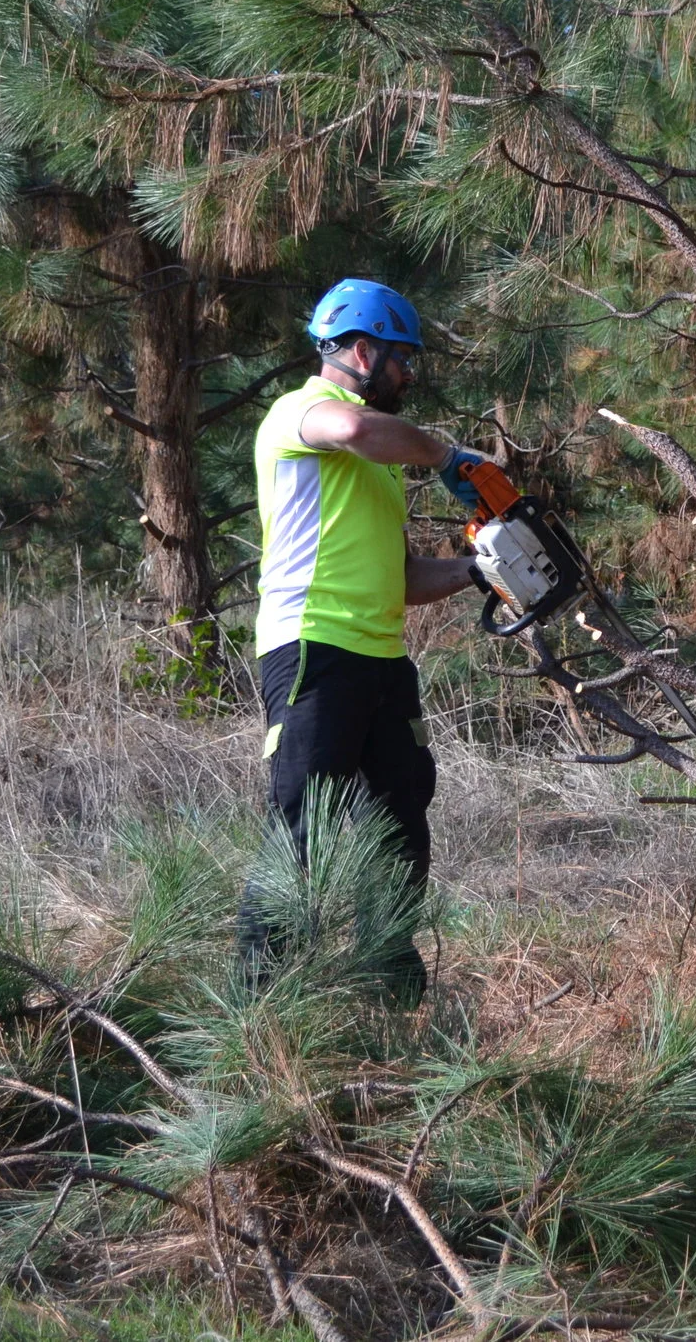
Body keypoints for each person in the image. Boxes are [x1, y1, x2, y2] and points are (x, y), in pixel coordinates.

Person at [241, 277, 490, 990]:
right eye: (402, 359)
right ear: (358, 349)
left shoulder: (377, 469)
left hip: (381, 661)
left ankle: (386, 988)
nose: (410, 374)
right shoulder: (305, 412)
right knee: (302, 830)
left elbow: (401, 576)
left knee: (400, 828)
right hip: (313, 649)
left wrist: (479, 572)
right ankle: (260, 1011)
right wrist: (445, 456)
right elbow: (349, 429)